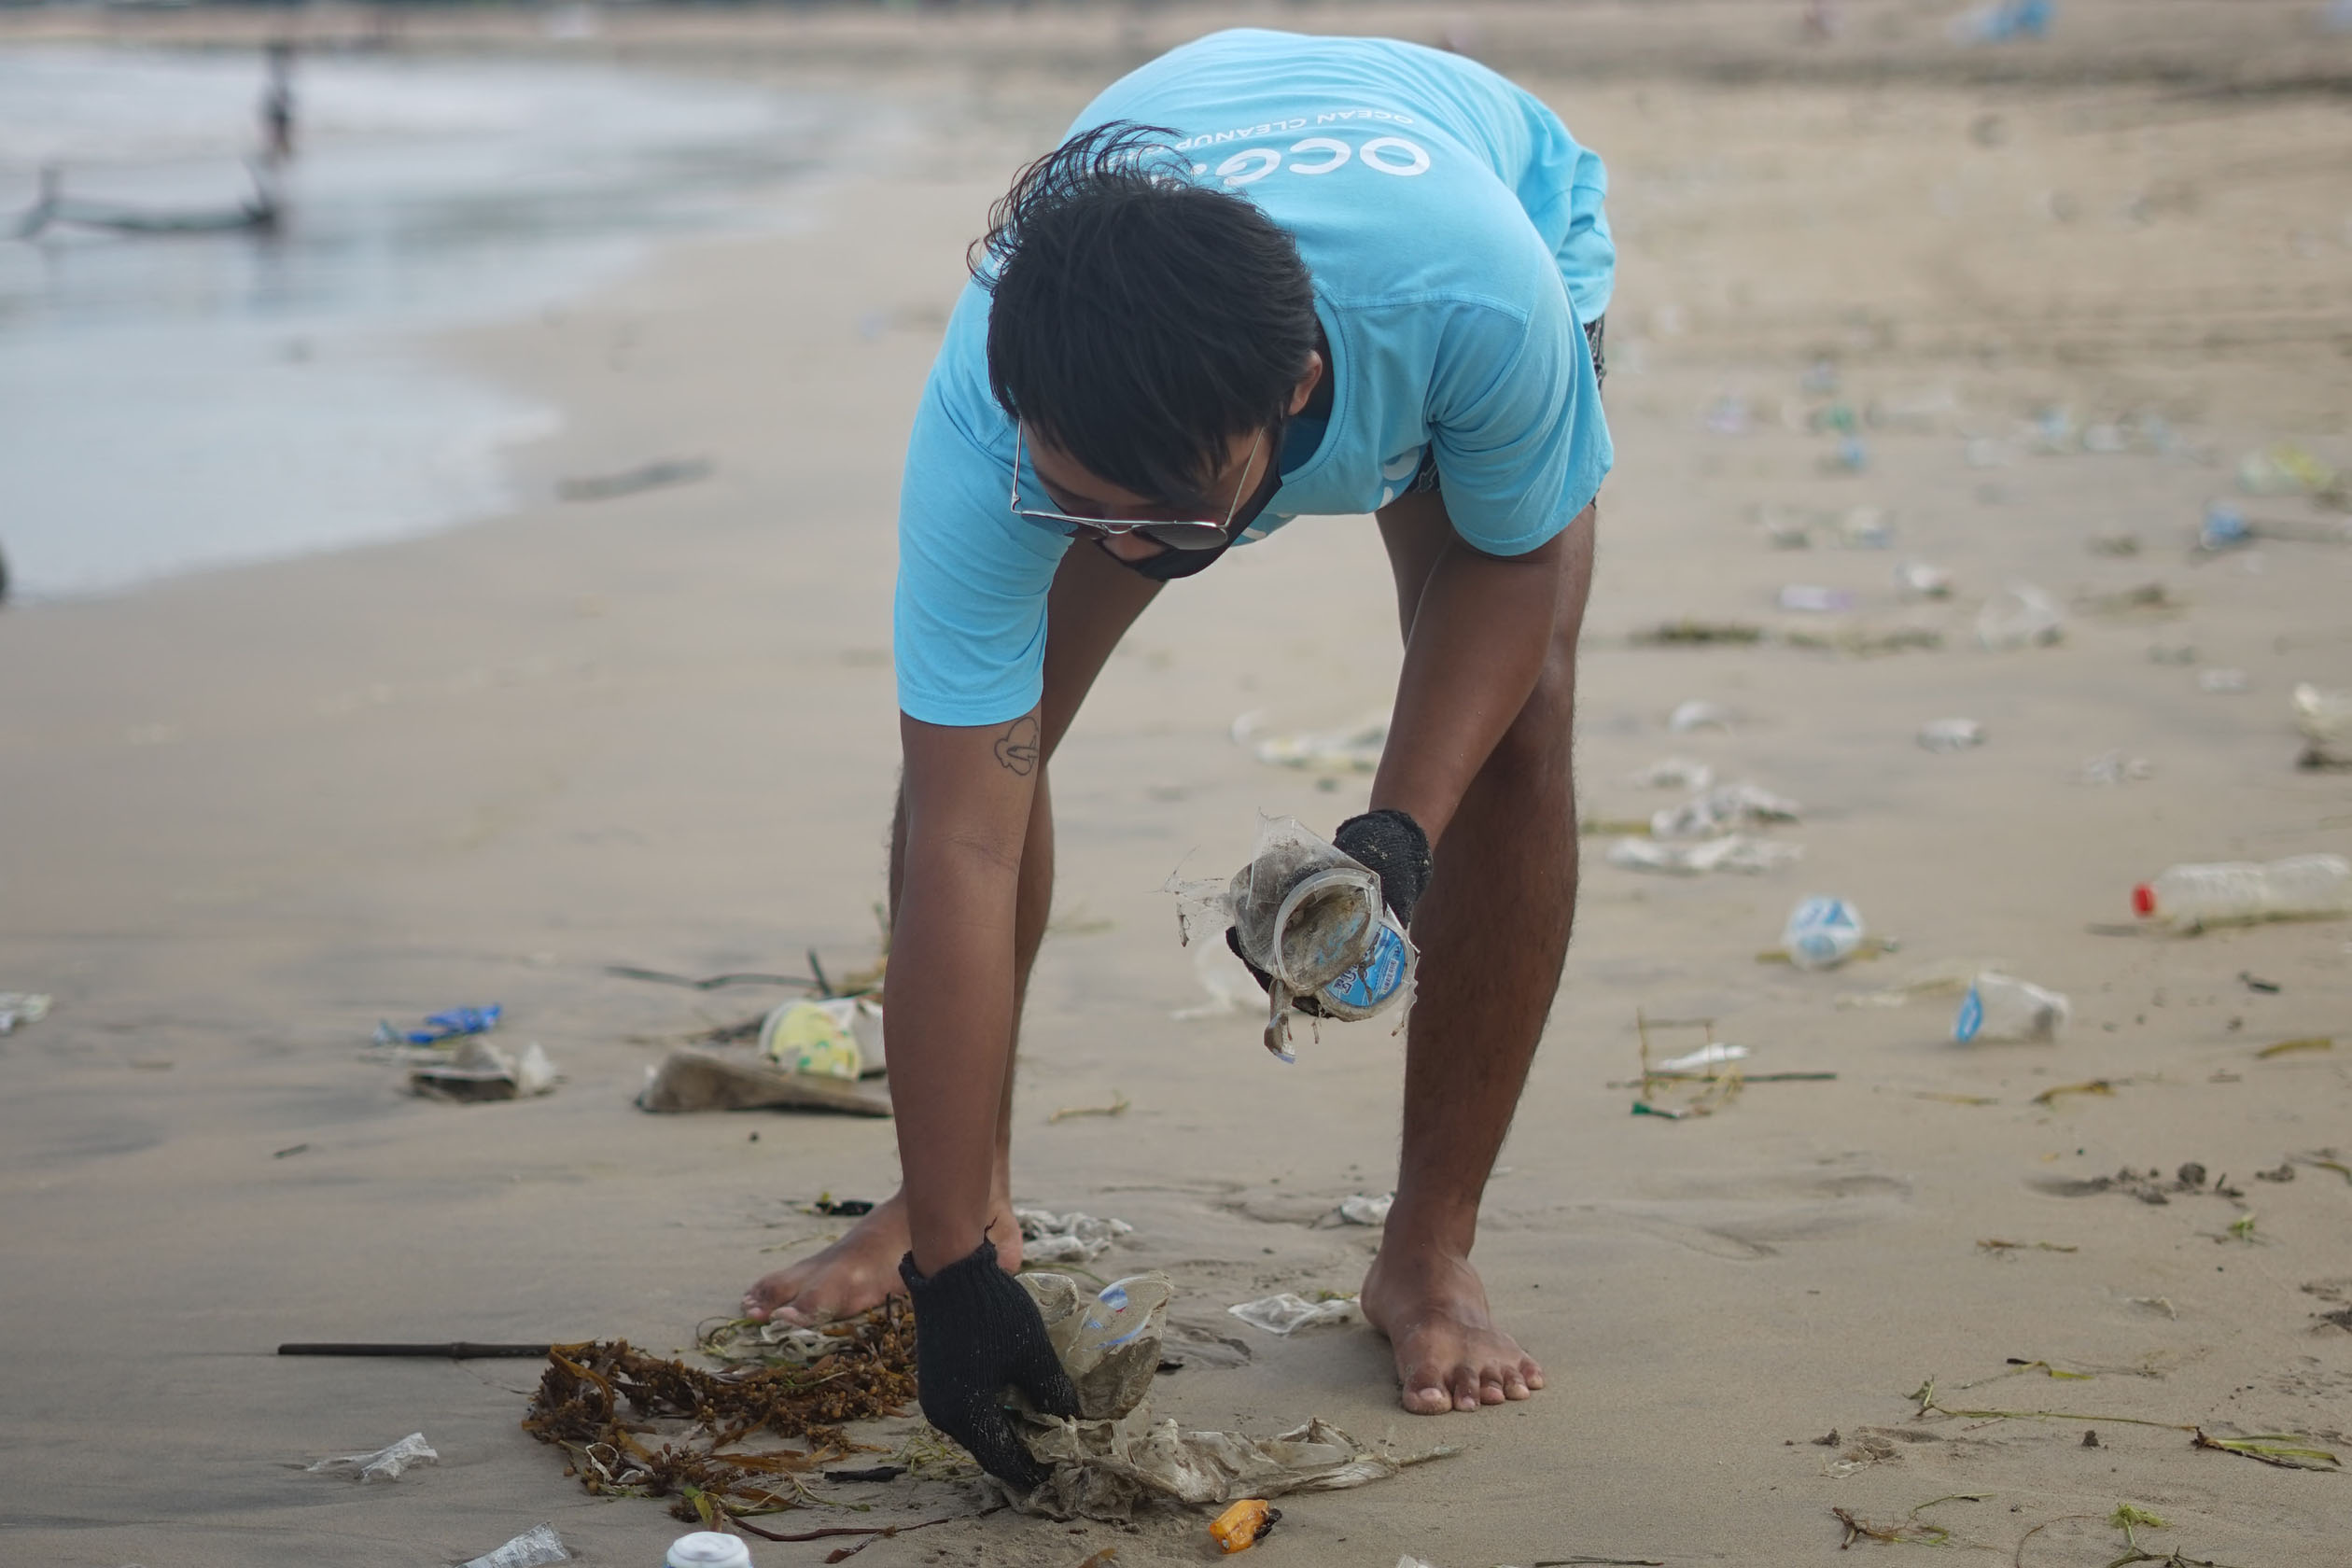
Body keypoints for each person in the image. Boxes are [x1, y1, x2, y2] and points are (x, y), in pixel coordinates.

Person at [745, 28, 1612, 1487]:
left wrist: (1397, 834)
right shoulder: (990, 419)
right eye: (1083, 511)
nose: (1127, 556)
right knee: (980, 772)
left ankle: (1428, 1254)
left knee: (1522, 727)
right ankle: (955, 1200)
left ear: (1297, 399)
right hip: (1162, 324)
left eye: (1170, 527)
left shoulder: (1473, 299)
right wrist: (956, 1280)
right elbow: (965, 835)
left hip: (1476, 203)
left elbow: (1511, 574)